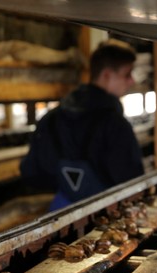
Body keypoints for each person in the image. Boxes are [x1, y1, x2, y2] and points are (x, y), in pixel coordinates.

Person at [20, 40, 145, 211]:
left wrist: (69, 184)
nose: (131, 81)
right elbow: (132, 181)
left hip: (62, 213)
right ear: (107, 75)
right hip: (107, 217)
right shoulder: (115, 125)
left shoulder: (52, 118)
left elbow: (31, 172)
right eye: (127, 74)